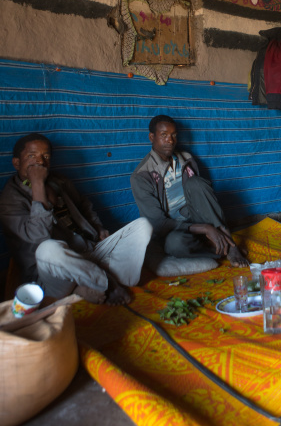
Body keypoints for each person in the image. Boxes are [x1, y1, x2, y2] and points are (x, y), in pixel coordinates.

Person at [0, 133, 152, 305]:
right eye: (31, 156)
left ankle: (89, 283)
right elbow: (38, 237)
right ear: (16, 163)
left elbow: (84, 205)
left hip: (90, 252)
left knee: (143, 225)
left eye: (46, 156)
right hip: (54, 274)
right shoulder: (9, 199)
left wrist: (98, 228)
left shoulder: (59, 181)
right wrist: (37, 185)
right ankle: (108, 283)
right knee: (47, 249)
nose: (40, 162)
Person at [130, 115, 248, 267]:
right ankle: (215, 249)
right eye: (164, 135)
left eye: (174, 135)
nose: (170, 140)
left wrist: (207, 225)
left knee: (196, 183)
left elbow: (202, 197)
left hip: (196, 217)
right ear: (152, 137)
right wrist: (205, 228)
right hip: (173, 229)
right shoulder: (141, 176)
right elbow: (158, 223)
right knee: (175, 244)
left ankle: (230, 246)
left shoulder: (186, 159)